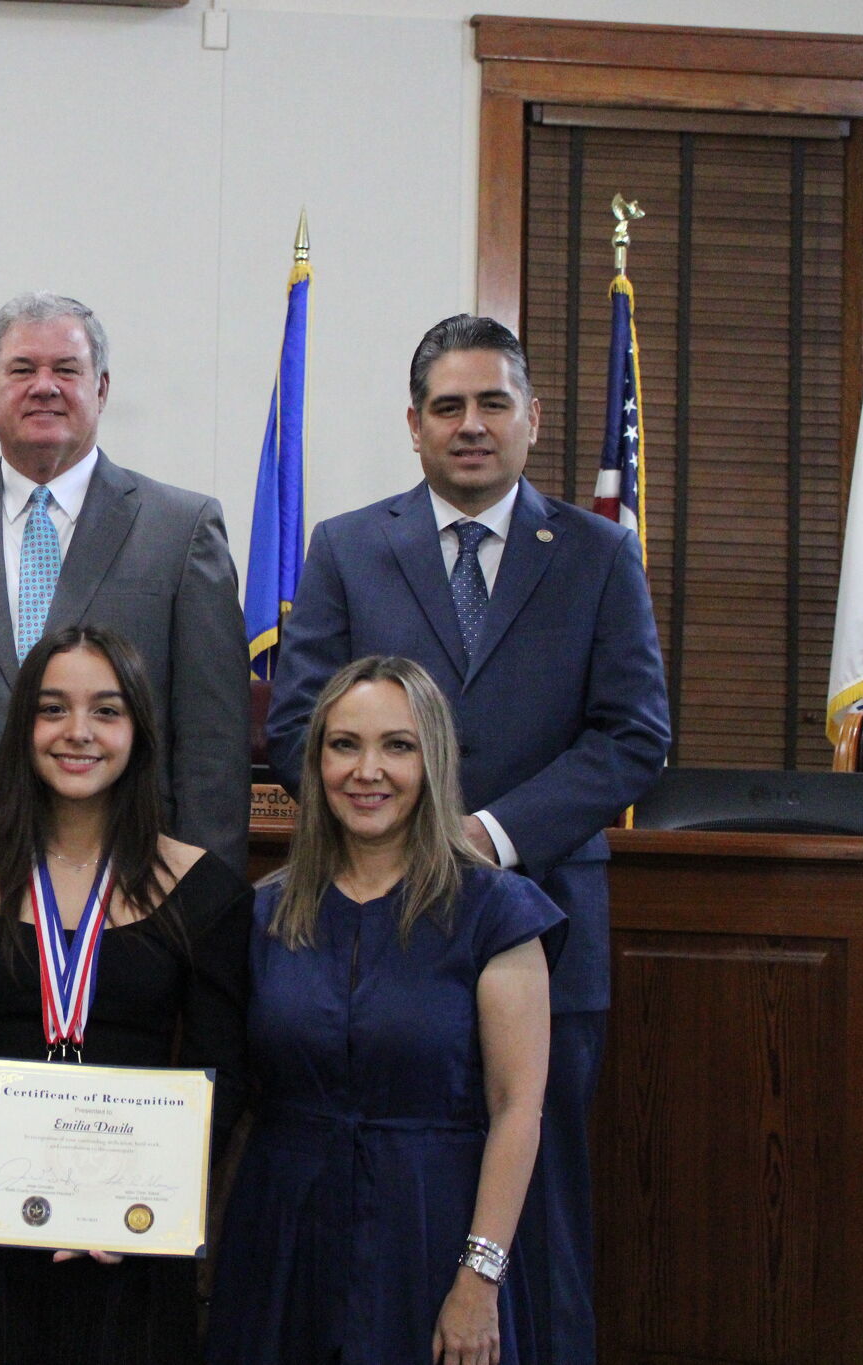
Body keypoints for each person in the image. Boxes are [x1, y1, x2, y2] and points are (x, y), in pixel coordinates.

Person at [264, 315, 671, 1364]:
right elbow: (295, 721)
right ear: (412, 425)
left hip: (541, 940)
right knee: (373, 1205)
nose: (470, 424)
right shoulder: (348, 547)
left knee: (541, 1208)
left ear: (532, 419)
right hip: (366, 942)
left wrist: (486, 836)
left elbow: (632, 736)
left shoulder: (593, 552)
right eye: (446, 406)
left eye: (493, 402)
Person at [0, 291, 250, 995]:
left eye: (66, 367)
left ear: (102, 388)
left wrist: (205, 913)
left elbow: (214, 743)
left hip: (129, 900)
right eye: (22, 368)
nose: (45, 385)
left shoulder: (181, 530)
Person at [0, 624, 251, 1364]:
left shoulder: (204, 890)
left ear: (139, 730)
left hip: (132, 1234)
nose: (78, 732)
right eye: (53, 708)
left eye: (106, 710)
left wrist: (148, 1201)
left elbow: (225, 1071)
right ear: (24, 725)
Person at [209, 656, 562, 1365]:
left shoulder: (495, 911)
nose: (367, 770)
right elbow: (226, 1091)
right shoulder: (265, 912)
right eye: (345, 745)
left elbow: (518, 1107)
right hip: (282, 1241)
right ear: (316, 763)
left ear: (431, 759)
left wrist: (478, 1277)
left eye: (396, 746)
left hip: (432, 1236)